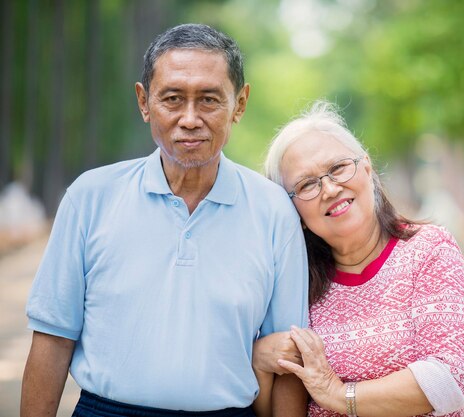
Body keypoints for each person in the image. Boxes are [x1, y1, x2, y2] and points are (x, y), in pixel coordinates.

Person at [21, 23, 308, 417]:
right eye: (172, 99)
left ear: (239, 104)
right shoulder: (90, 197)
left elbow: (288, 355)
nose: (190, 119)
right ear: (144, 103)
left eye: (209, 100)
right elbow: (53, 339)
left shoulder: (274, 210)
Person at [253, 101, 464, 417]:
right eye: (307, 184)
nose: (330, 188)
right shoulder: (293, 282)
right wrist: (259, 360)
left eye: (338, 168)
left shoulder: (429, 250)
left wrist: (337, 394)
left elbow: (449, 380)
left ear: (367, 167)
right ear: (294, 212)